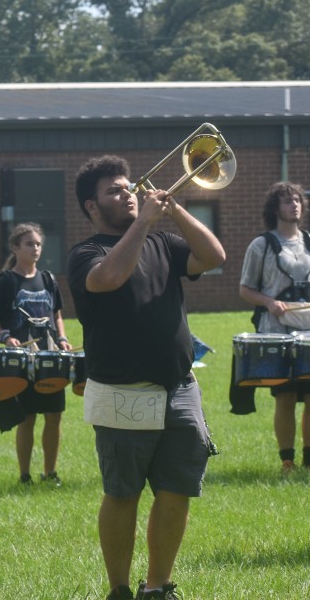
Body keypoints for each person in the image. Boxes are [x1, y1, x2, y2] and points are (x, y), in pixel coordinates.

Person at [67, 155, 224, 600]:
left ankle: (157, 587)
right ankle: (119, 589)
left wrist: (173, 211)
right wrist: (144, 224)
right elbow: (111, 277)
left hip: (179, 388)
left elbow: (213, 256)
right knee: (123, 494)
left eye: (128, 186)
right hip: (122, 392)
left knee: (176, 491)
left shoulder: (164, 243)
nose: (128, 193)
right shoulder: (85, 254)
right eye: (114, 190)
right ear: (91, 207)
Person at [0, 222, 71, 487]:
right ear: (15, 248)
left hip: (49, 358)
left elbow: (57, 314)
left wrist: (63, 338)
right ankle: (24, 475)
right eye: (30, 244)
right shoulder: (6, 282)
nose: (36, 248)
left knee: (54, 416)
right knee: (28, 417)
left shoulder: (47, 279)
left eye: (39, 244)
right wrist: (6, 337)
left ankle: (50, 472)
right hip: (21, 360)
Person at [238, 182, 310, 472]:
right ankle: (287, 460)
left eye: (297, 200)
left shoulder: (309, 241)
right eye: (286, 200)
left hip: (307, 330)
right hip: (275, 330)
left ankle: (309, 461)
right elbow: (245, 289)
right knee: (286, 395)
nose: (294, 204)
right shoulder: (261, 245)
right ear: (274, 208)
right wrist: (268, 302)